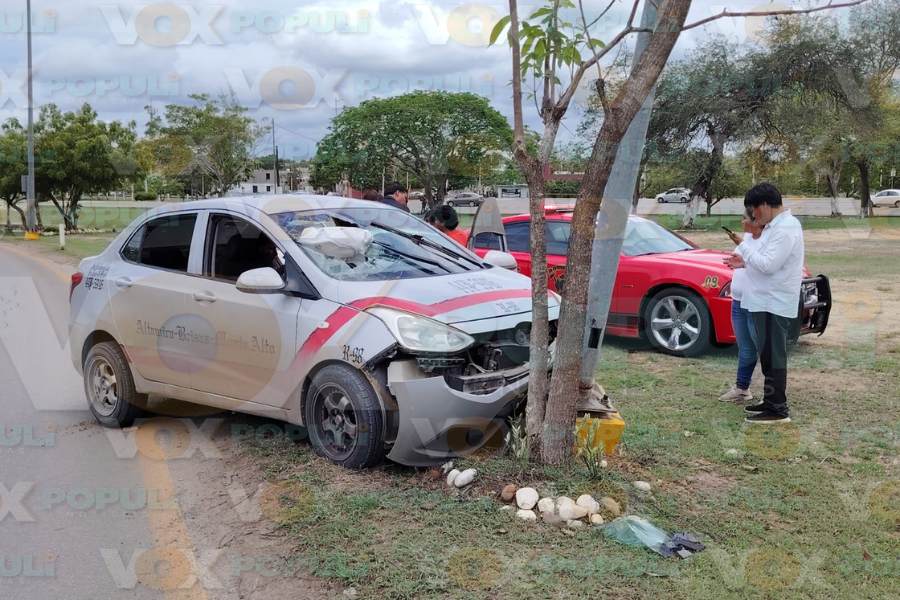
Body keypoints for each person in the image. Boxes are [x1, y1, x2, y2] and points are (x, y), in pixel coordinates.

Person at [724, 183, 804, 424]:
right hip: (763, 299)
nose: (753, 216)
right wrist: (746, 261)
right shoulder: (774, 227)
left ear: (766, 205)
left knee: (774, 356)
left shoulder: (787, 228)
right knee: (768, 356)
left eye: (754, 210)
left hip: (774, 301)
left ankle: (778, 409)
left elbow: (769, 265)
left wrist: (743, 245)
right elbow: (764, 262)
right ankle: (770, 402)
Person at [719, 212, 763, 403]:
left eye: (746, 218)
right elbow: (743, 265)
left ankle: (774, 394)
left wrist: (744, 262)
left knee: (762, 347)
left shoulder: (765, 242)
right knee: (745, 347)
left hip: (755, 302)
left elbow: (764, 267)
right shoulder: (746, 239)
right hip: (738, 299)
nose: (741, 222)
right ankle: (742, 388)